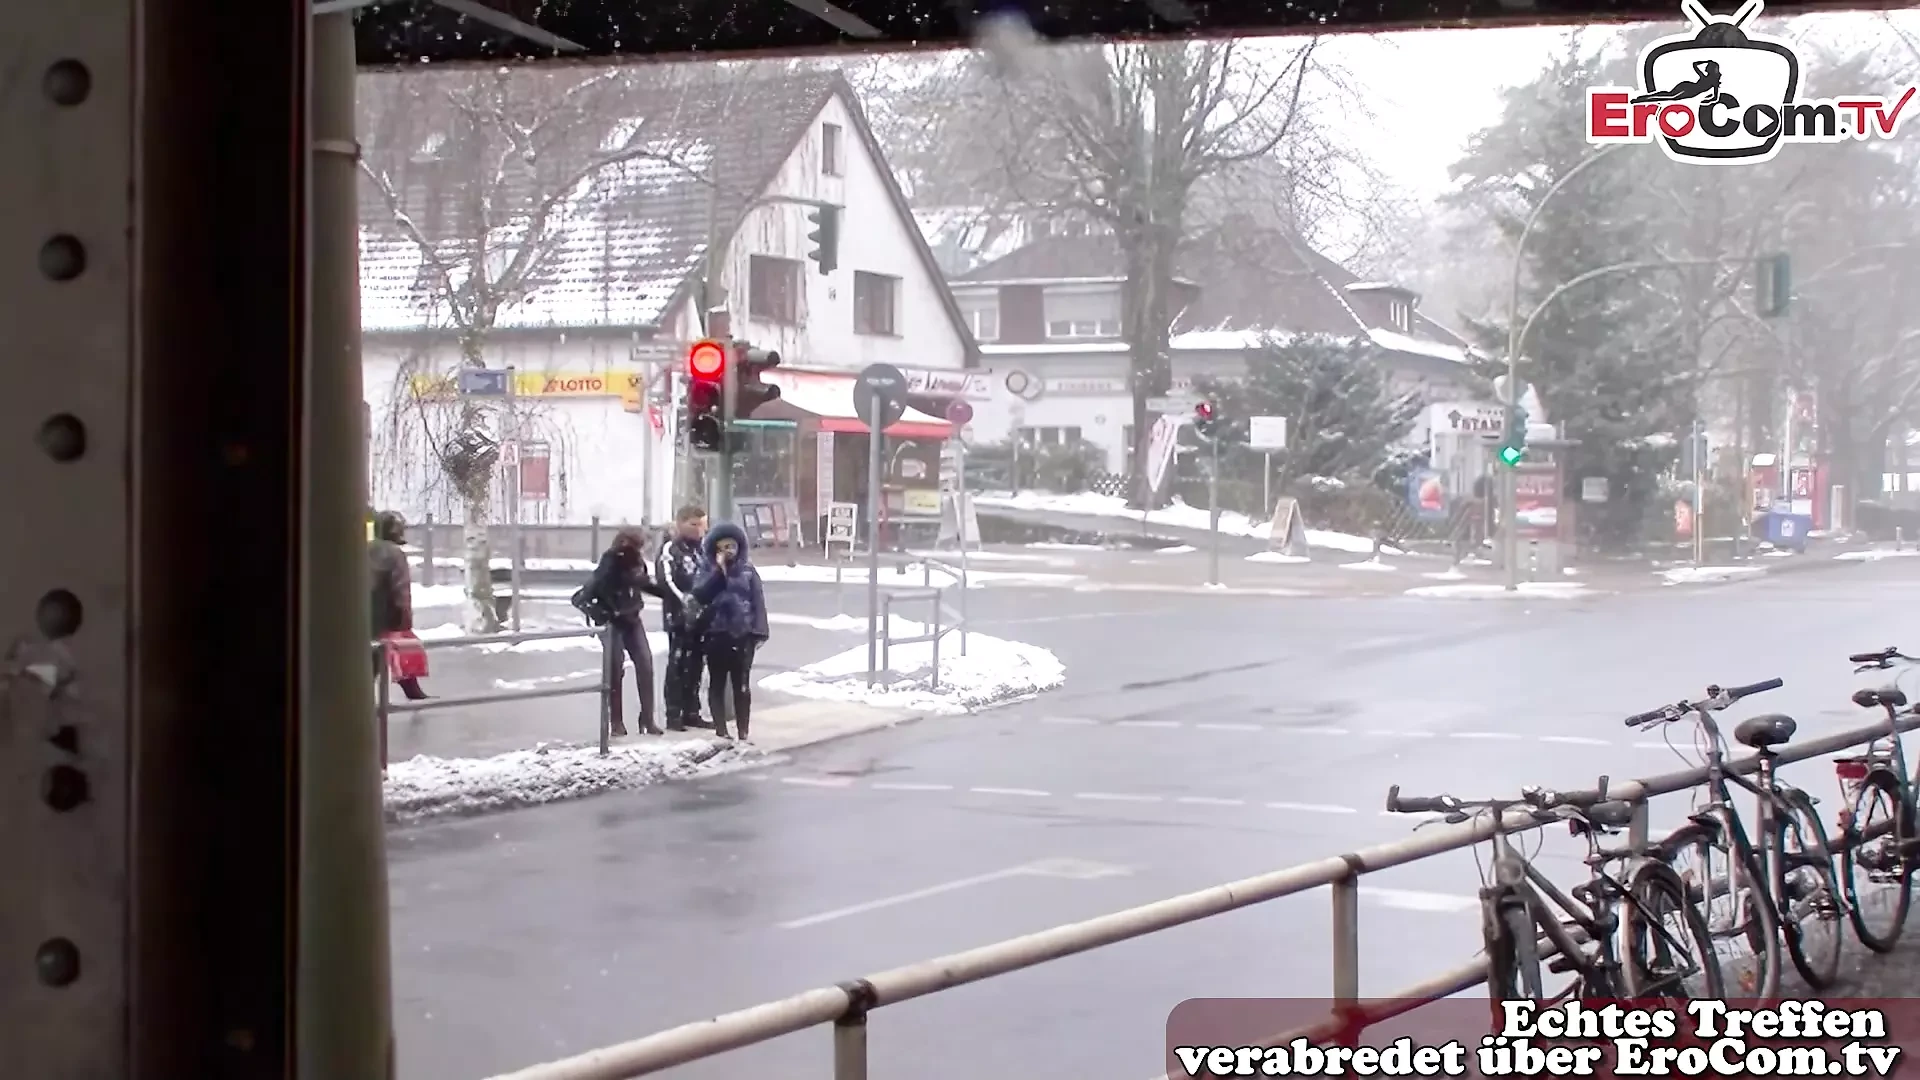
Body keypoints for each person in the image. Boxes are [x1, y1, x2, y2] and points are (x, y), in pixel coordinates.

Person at [690, 522, 768, 741]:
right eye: (722, 547)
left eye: (731, 546)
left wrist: (759, 631)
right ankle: (721, 729)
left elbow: (758, 601)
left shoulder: (748, 571)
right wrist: (718, 571)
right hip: (716, 633)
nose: (727, 551)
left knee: (741, 684)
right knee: (716, 681)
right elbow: (700, 594)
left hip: (742, 634)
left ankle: (743, 731)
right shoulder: (705, 569)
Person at [585, 526, 665, 736]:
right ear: (628, 543)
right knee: (615, 668)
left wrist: (670, 595)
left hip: (632, 618)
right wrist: (603, 612)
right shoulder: (610, 561)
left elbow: (643, 583)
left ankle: (647, 719)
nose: (643, 550)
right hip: (613, 621)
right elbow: (595, 589)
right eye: (640, 545)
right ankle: (616, 722)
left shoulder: (636, 561)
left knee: (645, 664)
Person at [652, 505, 710, 731]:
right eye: (693, 525)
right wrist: (685, 600)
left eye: (702, 525)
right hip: (678, 616)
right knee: (678, 664)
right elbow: (665, 580)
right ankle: (674, 714)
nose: (698, 530)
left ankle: (692, 711)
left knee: (696, 664)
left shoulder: (703, 550)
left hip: (701, 617)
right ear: (680, 524)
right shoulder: (671, 548)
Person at [367, 510, 429, 700]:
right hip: (387, 614)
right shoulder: (395, 554)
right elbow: (401, 590)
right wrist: (404, 619)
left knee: (373, 657)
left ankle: (412, 691)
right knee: (395, 651)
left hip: (365, 613)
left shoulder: (364, 549)